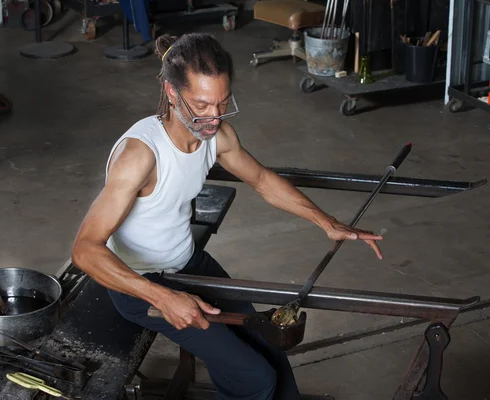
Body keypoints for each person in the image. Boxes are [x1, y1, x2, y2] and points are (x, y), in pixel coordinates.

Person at [72, 32, 383, 400]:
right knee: (253, 378)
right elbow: (85, 249)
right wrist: (163, 298)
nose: (214, 117)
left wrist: (327, 223)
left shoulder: (216, 135)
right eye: (202, 105)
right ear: (172, 94)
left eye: (222, 103)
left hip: (187, 262)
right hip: (140, 284)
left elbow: (263, 180)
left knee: (270, 349)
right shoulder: (140, 155)